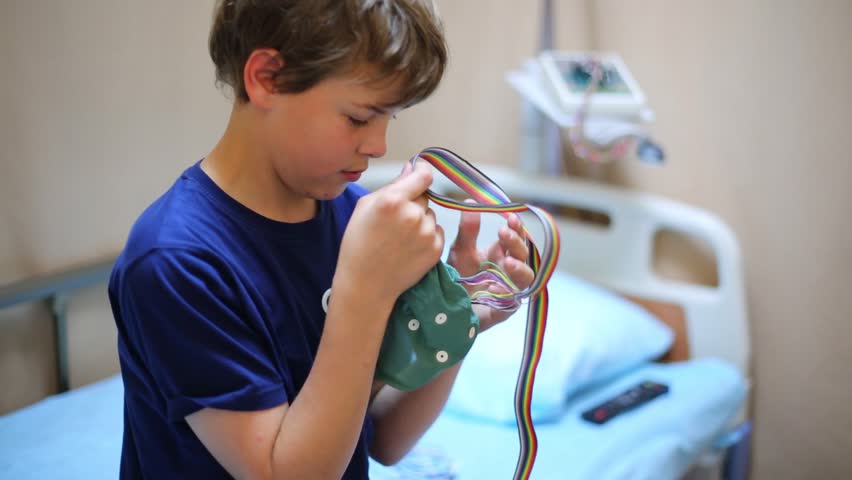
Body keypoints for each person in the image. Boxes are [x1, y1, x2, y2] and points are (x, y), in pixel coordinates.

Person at [108, 1, 534, 478]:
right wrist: (365, 287)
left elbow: (385, 438)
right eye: (358, 118)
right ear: (267, 78)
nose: (378, 146)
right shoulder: (177, 264)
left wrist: (459, 318)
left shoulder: (352, 215)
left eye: (389, 118)